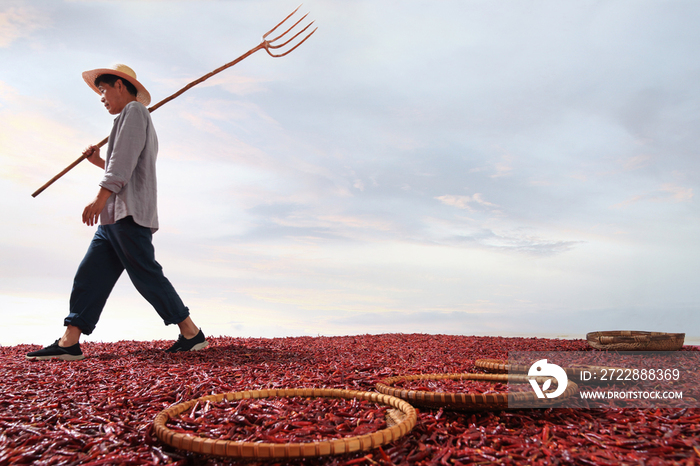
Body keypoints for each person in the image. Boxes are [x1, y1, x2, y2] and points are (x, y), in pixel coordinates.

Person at [27, 64, 208, 361]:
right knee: (90, 274)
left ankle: (190, 332)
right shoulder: (128, 118)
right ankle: (69, 341)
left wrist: (99, 198)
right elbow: (125, 165)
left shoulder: (135, 113)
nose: (102, 98)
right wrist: (99, 161)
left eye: (103, 90)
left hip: (128, 214)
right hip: (114, 217)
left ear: (121, 86)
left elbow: (123, 164)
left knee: (146, 275)